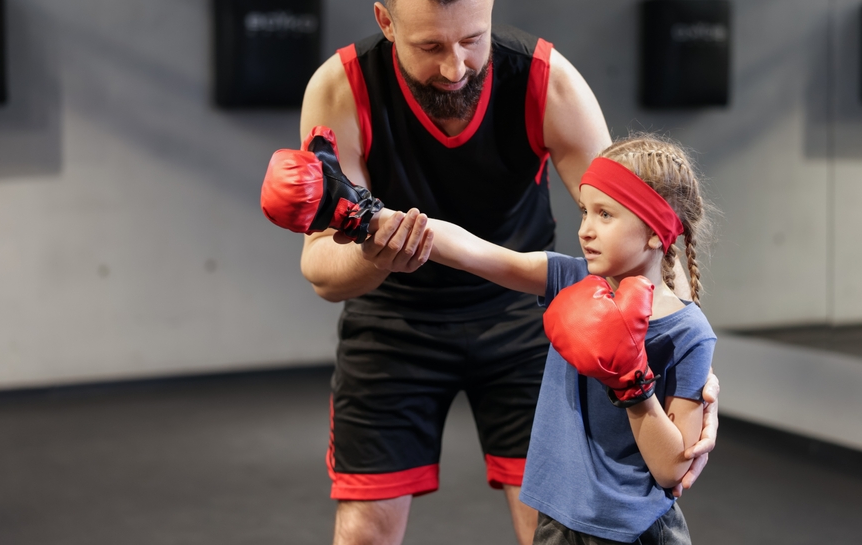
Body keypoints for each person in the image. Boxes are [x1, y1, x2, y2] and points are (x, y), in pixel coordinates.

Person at [293, 0, 719, 545]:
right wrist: (381, 257)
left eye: (472, 39)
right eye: (430, 47)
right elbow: (322, 270)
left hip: (526, 316)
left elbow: (641, 225)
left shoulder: (550, 83)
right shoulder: (341, 88)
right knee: (365, 529)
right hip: (393, 321)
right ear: (386, 23)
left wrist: (690, 365)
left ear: (492, 2)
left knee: (552, 513)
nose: (455, 68)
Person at [264, 131, 715, 544]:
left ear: (658, 231)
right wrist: (365, 216)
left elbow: (673, 468)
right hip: (559, 522)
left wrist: (631, 383)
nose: (586, 229)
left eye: (605, 214)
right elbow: (471, 251)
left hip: (635, 530)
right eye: (584, 211)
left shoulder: (687, 333)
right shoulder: (571, 279)